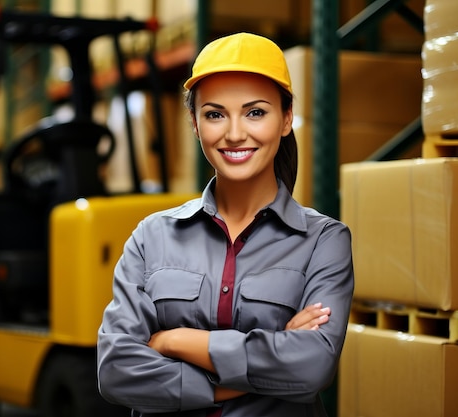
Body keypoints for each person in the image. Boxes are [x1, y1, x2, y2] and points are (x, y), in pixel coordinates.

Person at [97, 32, 354, 417]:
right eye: (215, 114)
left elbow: (311, 367)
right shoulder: (151, 237)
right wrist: (256, 365)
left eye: (255, 112)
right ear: (195, 124)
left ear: (286, 119)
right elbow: (115, 371)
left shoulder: (323, 241)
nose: (235, 133)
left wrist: (175, 340)